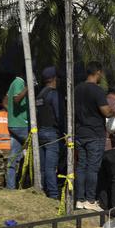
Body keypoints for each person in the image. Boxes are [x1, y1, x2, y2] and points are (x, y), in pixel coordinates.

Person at [73, 61, 113, 212]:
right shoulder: (97, 90)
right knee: (93, 168)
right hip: (95, 133)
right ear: (98, 72)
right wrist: (112, 112)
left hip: (80, 132)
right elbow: (105, 111)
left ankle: (80, 199)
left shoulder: (77, 89)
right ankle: (90, 199)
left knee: (81, 166)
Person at [35, 67, 63, 199]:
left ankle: (42, 189)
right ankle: (52, 194)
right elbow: (59, 114)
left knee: (43, 167)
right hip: (52, 132)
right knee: (51, 167)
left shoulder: (40, 95)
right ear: (53, 79)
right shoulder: (53, 94)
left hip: (40, 132)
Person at [98, 85, 115, 212]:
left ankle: (103, 206)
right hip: (112, 148)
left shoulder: (100, 102)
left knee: (103, 179)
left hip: (99, 147)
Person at [4, 75, 28, 189]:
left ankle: (10, 187)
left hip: (14, 125)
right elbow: (16, 99)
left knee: (12, 159)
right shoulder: (19, 82)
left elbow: (5, 100)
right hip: (22, 125)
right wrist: (29, 88)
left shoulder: (13, 82)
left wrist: (11, 113)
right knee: (37, 152)